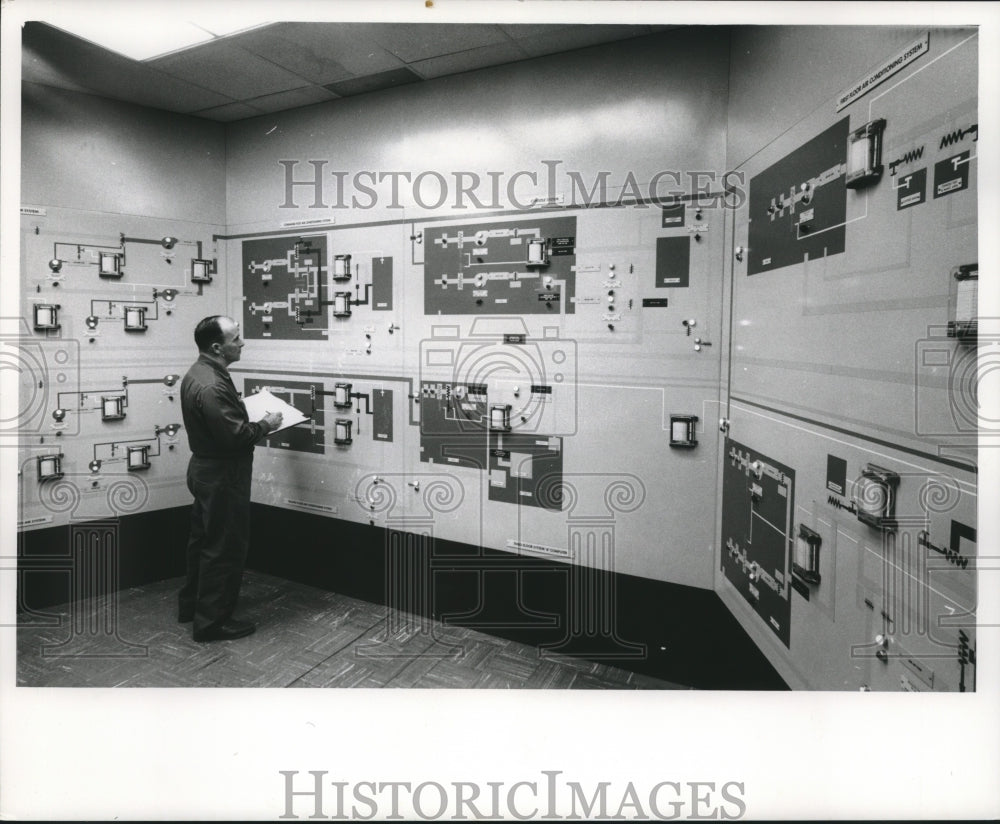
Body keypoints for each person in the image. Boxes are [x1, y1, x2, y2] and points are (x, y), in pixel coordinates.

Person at [179, 315, 282, 641]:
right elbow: (236, 437)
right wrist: (268, 424)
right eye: (235, 338)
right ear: (217, 347)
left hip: (203, 470)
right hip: (223, 475)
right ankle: (212, 623)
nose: (242, 343)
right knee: (224, 548)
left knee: (203, 541)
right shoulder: (212, 384)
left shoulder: (199, 372)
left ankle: (191, 607)